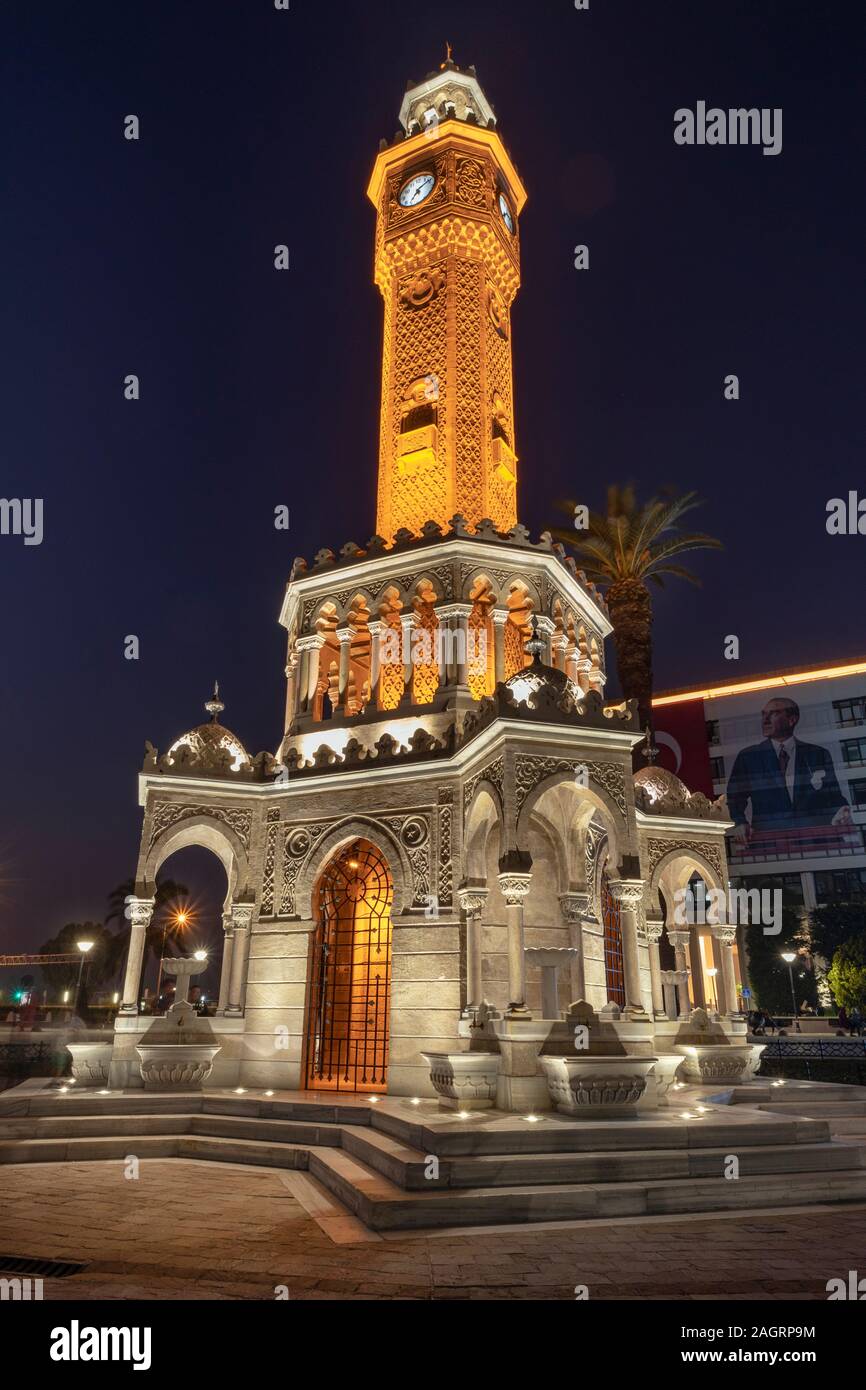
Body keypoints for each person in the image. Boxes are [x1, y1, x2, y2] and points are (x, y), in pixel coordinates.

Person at [726, 696, 852, 849]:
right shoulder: (748, 757)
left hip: (814, 841)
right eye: (763, 714)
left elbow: (833, 796)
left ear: (792, 719)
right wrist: (739, 823)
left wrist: (842, 810)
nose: (765, 720)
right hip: (769, 843)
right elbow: (734, 798)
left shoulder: (817, 754)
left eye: (773, 714)